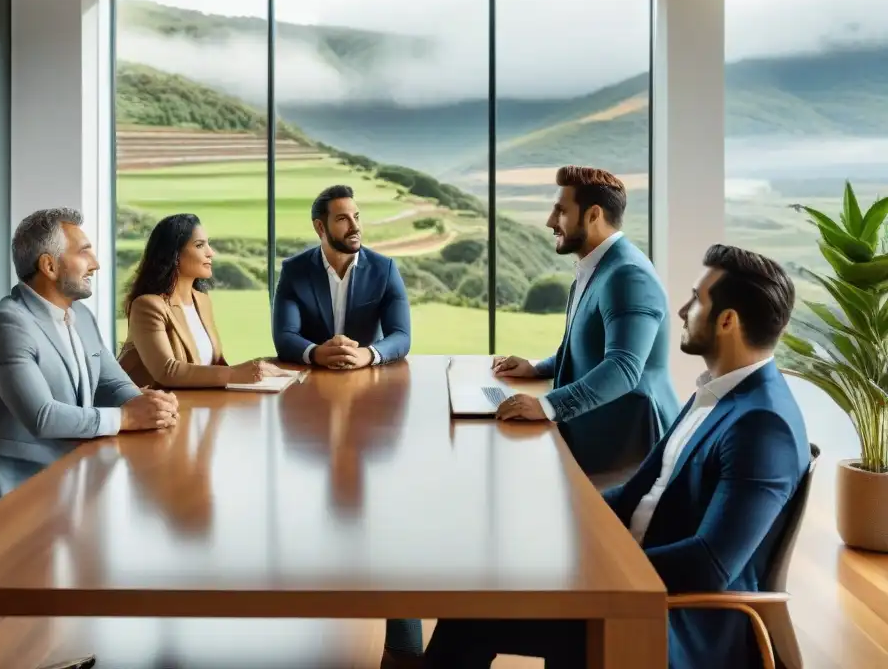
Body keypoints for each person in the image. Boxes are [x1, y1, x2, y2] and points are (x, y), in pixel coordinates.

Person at [422, 244, 810, 669]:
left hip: (669, 618)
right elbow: (637, 493)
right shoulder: (717, 393)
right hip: (631, 579)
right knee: (481, 594)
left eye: (696, 299)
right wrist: (553, 522)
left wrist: (592, 571)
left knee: (473, 613)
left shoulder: (762, 424)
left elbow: (709, 565)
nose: (681, 310)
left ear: (728, 321)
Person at [0, 208, 179, 506]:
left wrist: (148, 405)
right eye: (84, 253)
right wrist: (127, 417)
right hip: (13, 487)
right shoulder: (8, 324)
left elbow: (110, 382)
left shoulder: (80, 315)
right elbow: (43, 417)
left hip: (71, 475)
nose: (96, 264)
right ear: (49, 266)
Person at [491, 166, 680, 477]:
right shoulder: (597, 266)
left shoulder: (628, 275)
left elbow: (623, 368)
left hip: (628, 450)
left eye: (561, 211)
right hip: (596, 434)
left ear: (593, 215)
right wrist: (539, 368)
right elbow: (588, 345)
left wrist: (546, 406)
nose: (550, 222)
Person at [117, 213, 290, 388]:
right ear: (174, 255)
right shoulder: (148, 306)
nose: (210, 253)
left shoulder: (201, 300)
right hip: (157, 408)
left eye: (208, 244)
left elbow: (216, 365)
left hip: (199, 405)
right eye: (200, 245)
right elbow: (167, 371)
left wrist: (260, 368)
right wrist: (236, 374)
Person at [272, 185, 411, 370]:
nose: (355, 227)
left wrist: (367, 354)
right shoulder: (294, 271)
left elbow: (401, 335)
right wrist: (316, 353)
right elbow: (285, 336)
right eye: (342, 219)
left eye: (356, 217)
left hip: (367, 379)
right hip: (312, 380)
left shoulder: (385, 270)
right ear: (320, 227)